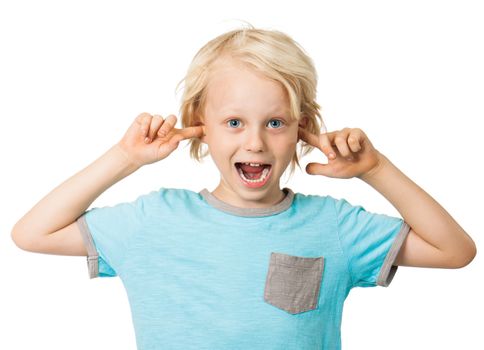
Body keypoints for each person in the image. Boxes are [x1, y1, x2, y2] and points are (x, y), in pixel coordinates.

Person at [11, 25, 477, 350]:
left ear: (303, 129)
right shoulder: (153, 220)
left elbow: (455, 251)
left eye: (275, 122)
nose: (254, 142)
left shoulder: (334, 225)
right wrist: (126, 158)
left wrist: (375, 169)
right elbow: (32, 234)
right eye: (233, 122)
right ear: (200, 127)